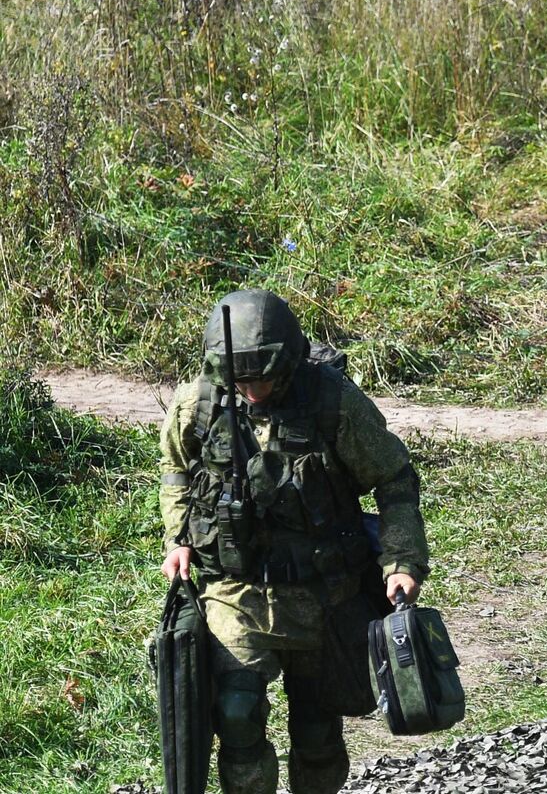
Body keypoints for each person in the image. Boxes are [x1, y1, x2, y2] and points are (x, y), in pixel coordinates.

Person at [158, 289, 428, 794]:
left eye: (262, 374)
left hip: (323, 596)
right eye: (240, 376)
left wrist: (402, 560)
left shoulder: (333, 402)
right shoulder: (198, 403)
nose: (252, 387)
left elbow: (394, 478)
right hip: (233, 593)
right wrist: (178, 537)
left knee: (317, 732)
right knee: (236, 716)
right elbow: (175, 467)